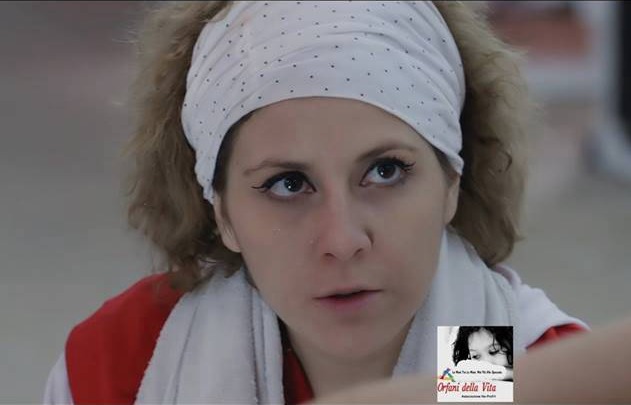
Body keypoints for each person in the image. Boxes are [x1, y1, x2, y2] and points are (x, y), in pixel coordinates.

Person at [43, 1, 590, 404]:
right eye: (288, 184)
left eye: (385, 171)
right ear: (221, 211)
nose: (342, 240)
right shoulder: (123, 365)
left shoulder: (540, 373)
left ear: (452, 181)